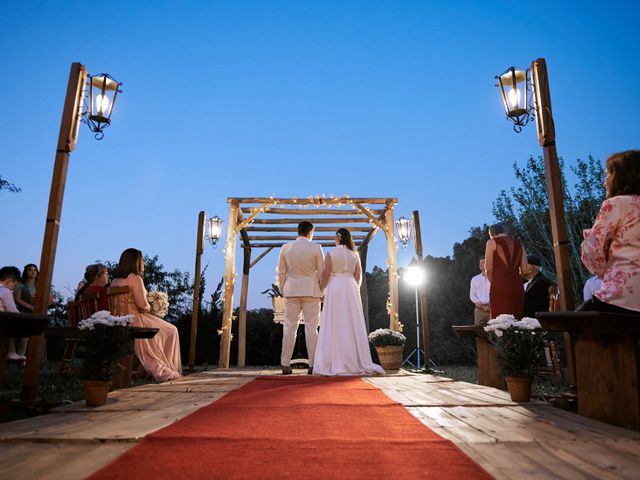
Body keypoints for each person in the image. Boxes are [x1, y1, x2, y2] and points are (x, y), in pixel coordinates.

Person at [313, 229, 384, 376]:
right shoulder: (354, 254)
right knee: (351, 322)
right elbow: (358, 275)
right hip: (350, 286)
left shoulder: (331, 254)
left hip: (336, 286)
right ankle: (356, 360)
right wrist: (355, 288)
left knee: (336, 321)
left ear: (337, 238)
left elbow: (326, 274)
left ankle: (334, 360)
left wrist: (321, 290)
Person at [580, 150, 640, 313]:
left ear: (621, 176)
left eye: (607, 174)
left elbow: (593, 251)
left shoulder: (616, 204)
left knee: (571, 329)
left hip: (623, 295)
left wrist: (601, 271)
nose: (604, 182)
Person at [111, 248, 182, 381]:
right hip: (135, 320)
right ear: (136, 262)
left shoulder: (115, 281)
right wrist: (152, 307)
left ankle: (150, 367)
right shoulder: (135, 278)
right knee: (172, 330)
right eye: (142, 260)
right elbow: (142, 306)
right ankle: (168, 367)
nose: (143, 262)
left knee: (161, 329)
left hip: (119, 320)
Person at [277, 221, 324, 375]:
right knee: (312, 328)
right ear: (311, 232)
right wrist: (322, 291)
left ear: (298, 231)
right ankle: (313, 364)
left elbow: (281, 272)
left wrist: (283, 289)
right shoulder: (316, 247)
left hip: (291, 291)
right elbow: (321, 273)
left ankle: (285, 364)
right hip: (311, 291)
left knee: (289, 327)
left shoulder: (286, 247)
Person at [484, 223, 527, 319]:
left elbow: (488, 268)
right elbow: (525, 270)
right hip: (517, 286)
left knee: (500, 323)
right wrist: (515, 280)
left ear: (492, 234)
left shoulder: (491, 242)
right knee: (517, 321)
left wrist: (494, 282)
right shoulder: (519, 244)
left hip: (499, 285)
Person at [0, 266, 27, 361]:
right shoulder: (6, 291)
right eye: (14, 285)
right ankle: (17, 353)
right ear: (9, 281)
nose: (13, 288)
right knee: (25, 328)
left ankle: (13, 352)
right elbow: (13, 310)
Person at [469, 257, 491, 325]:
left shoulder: (494, 278)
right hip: (479, 311)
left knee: (494, 332)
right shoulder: (475, 279)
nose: (481, 264)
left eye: (483, 262)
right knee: (479, 332)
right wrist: (482, 306)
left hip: (492, 309)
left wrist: (491, 306)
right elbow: (472, 294)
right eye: (480, 263)